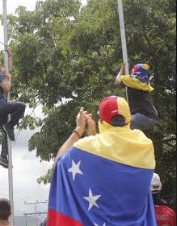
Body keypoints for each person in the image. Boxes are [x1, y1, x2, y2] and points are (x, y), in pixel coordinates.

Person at [47, 96, 156, 225]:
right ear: (129, 119)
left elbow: (59, 163)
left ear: (101, 122)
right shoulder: (145, 146)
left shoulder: (85, 147)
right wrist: (92, 136)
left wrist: (79, 129)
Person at [0, 46, 26, 168]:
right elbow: (8, 88)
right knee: (21, 106)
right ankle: (9, 126)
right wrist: (9, 79)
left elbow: (9, 70)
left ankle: (3, 157)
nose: (1, 67)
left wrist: (10, 56)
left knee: (6, 134)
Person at [115, 63, 158, 130]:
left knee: (119, 125)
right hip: (152, 116)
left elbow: (117, 82)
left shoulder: (132, 80)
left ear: (134, 71)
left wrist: (122, 70)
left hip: (143, 116)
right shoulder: (145, 83)